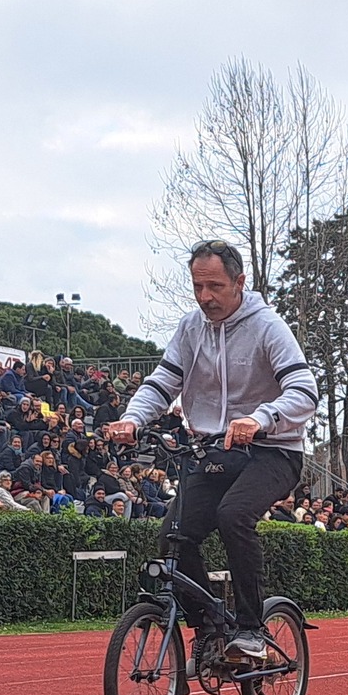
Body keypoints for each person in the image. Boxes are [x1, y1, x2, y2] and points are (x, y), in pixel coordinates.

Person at [106, 240, 319, 663]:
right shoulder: (190, 329)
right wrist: (132, 419)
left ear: (240, 282)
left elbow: (305, 391)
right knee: (173, 537)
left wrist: (260, 418)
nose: (205, 297)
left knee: (233, 515)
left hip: (272, 451)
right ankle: (208, 629)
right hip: (213, 452)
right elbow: (162, 384)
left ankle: (251, 628)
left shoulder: (267, 327)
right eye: (198, 286)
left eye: (215, 286)